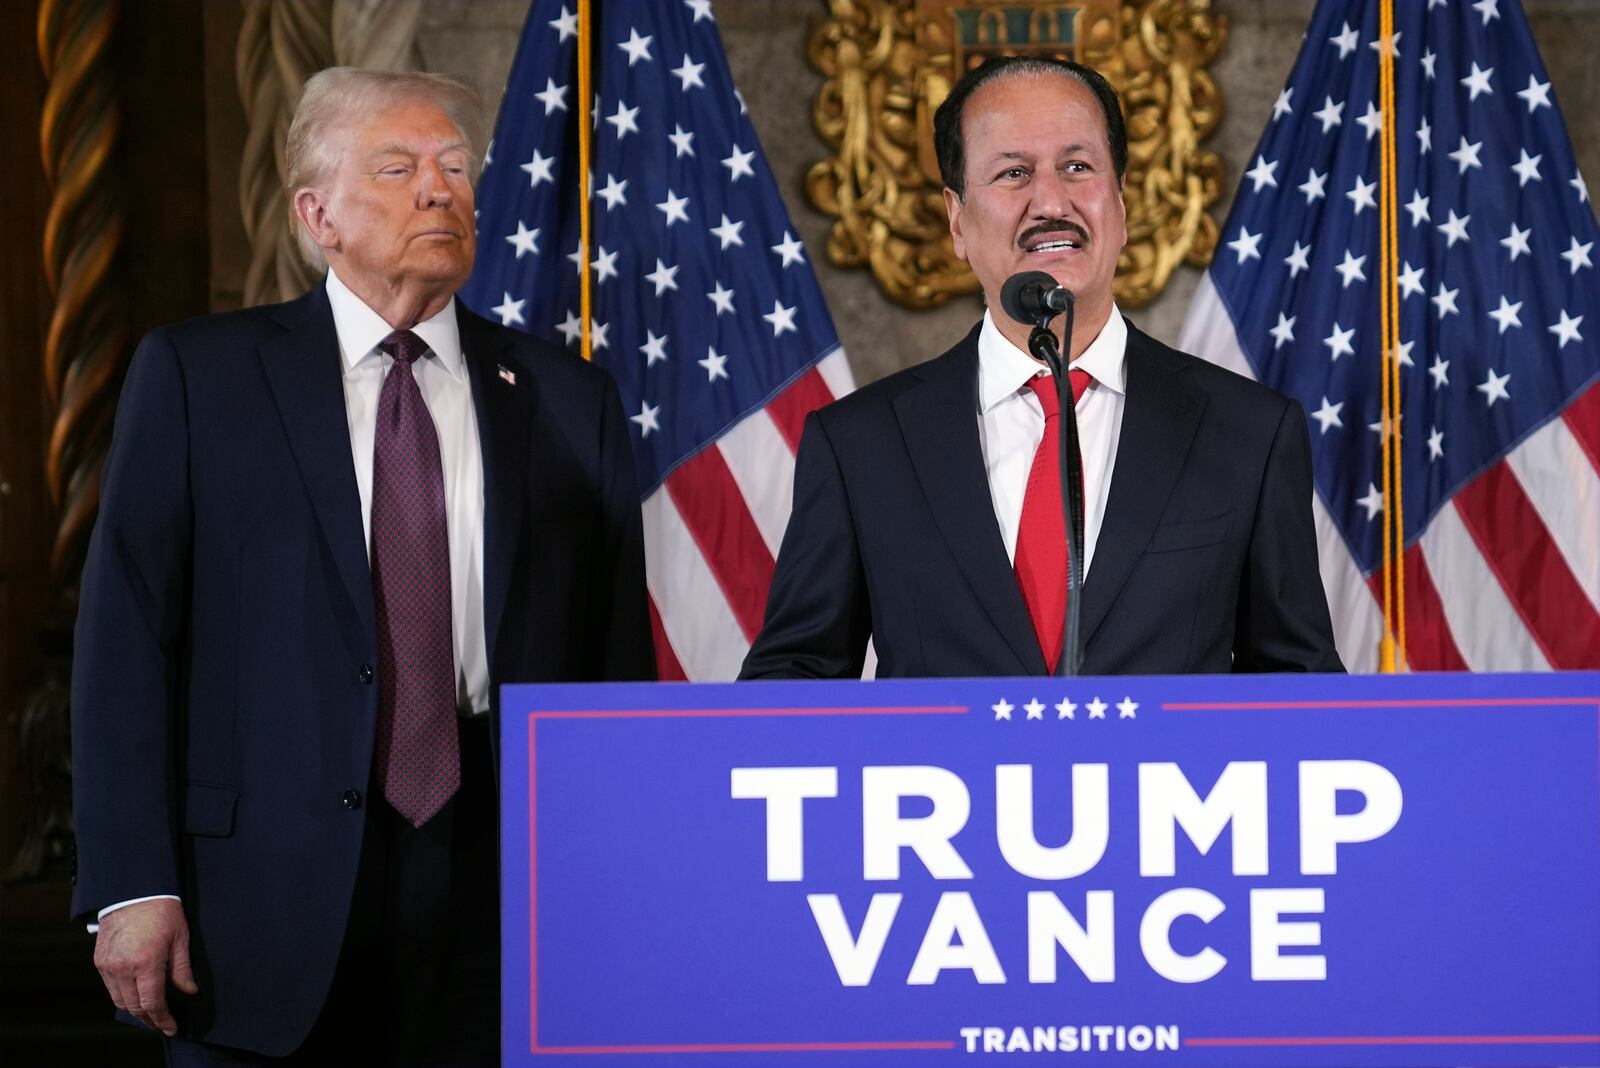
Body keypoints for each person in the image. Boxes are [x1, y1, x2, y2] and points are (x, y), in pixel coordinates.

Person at [70, 67, 653, 1065]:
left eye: (456, 168)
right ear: (317, 214)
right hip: (253, 898)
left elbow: (612, 662)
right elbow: (125, 638)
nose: (440, 189)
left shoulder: (567, 396)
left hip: (502, 888)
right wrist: (132, 883)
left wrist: (619, 882)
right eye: (397, 167)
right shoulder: (199, 376)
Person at [741, 56, 1342, 679]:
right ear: (957, 220)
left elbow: (1300, 689)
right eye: (1013, 173)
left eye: (1077, 167)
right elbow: (793, 681)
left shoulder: (1249, 432)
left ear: (1121, 201)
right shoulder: (859, 445)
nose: (1050, 201)